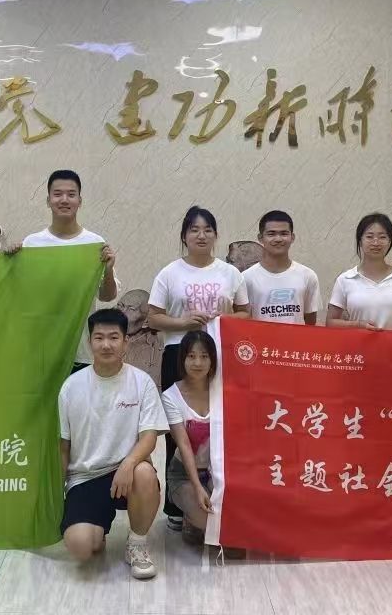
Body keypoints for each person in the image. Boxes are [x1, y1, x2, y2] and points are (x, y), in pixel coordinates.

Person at [148, 205, 248, 531]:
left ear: (216, 236)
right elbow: (153, 317)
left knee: (217, 427)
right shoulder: (170, 273)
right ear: (184, 236)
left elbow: (246, 314)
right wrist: (183, 322)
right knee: (180, 431)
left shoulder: (229, 273)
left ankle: (216, 492)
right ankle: (176, 505)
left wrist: (227, 317)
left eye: (207, 230)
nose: (201, 235)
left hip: (218, 356)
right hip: (179, 354)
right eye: (194, 230)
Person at [58, 308, 167, 580]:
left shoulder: (141, 382)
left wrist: (129, 462)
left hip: (127, 473)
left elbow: (149, 437)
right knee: (82, 546)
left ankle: (137, 544)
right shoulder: (71, 387)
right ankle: (97, 527)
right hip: (85, 476)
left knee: (144, 472)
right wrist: (58, 493)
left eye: (114, 337)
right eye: (99, 338)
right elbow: (63, 447)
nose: (106, 344)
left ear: (125, 342)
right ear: (89, 343)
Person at [18, 170, 119, 372]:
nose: (64, 200)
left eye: (71, 194)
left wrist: (108, 270)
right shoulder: (32, 244)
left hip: (81, 351)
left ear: (79, 201)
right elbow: (20, 294)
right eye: (57, 194)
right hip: (41, 349)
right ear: (48, 200)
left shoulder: (94, 243)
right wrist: (10, 261)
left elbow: (107, 296)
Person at [162, 330, 215, 545]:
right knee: (211, 521)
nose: (198, 363)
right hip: (183, 475)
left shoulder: (222, 391)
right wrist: (197, 487)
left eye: (204, 356)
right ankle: (191, 518)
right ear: (182, 359)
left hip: (217, 472)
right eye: (191, 356)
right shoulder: (170, 396)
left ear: (212, 359)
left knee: (232, 522)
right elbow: (183, 444)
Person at [326, 213, 392, 332]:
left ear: (389, 241)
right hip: (356, 344)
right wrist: (358, 325)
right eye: (369, 237)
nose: (376, 243)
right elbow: (330, 322)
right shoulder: (345, 279)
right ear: (360, 241)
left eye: (382, 237)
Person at [242, 210, 321, 325]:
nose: (278, 239)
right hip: (261, 337)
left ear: (292, 237)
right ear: (260, 238)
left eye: (284, 233)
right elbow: (243, 321)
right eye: (271, 234)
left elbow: (310, 321)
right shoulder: (246, 278)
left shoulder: (308, 276)